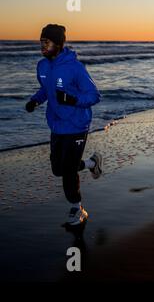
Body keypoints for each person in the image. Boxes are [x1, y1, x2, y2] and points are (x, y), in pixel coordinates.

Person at [25, 24, 102, 226]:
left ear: (58, 44)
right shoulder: (42, 66)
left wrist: (72, 100)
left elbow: (94, 95)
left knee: (68, 172)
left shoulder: (75, 68)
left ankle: (78, 210)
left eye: (46, 42)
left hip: (77, 124)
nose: (42, 45)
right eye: (41, 41)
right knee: (58, 169)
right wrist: (35, 101)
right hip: (57, 124)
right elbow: (45, 90)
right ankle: (92, 164)